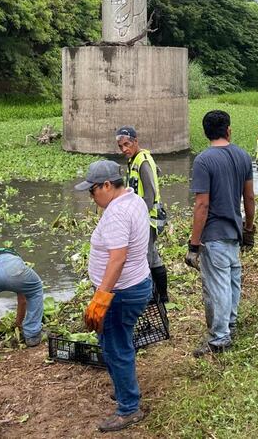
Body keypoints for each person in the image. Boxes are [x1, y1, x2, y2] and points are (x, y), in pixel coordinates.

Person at [76, 160, 151, 432]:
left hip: (121, 292)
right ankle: (124, 389)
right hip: (135, 284)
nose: (91, 197)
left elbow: (117, 259)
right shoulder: (134, 200)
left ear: (107, 185)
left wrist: (101, 297)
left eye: (92, 191)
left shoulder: (117, 214)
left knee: (116, 348)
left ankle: (129, 408)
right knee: (117, 342)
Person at [186, 110, 255, 357]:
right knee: (232, 280)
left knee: (218, 286)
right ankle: (230, 325)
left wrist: (194, 244)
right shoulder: (243, 156)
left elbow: (202, 205)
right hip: (234, 231)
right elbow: (249, 197)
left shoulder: (204, 160)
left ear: (206, 133)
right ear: (228, 130)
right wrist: (249, 228)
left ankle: (219, 339)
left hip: (213, 234)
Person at [116, 125, 169, 303]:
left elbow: (150, 194)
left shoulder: (143, 161)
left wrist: (138, 219)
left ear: (135, 141)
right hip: (144, 217)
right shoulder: (136, 159)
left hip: (149, 218)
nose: (124, 149)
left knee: (144, 257)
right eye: (121, 146)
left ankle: (149, 296)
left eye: (127, 144)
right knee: (152, 255)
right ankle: (162, 295)